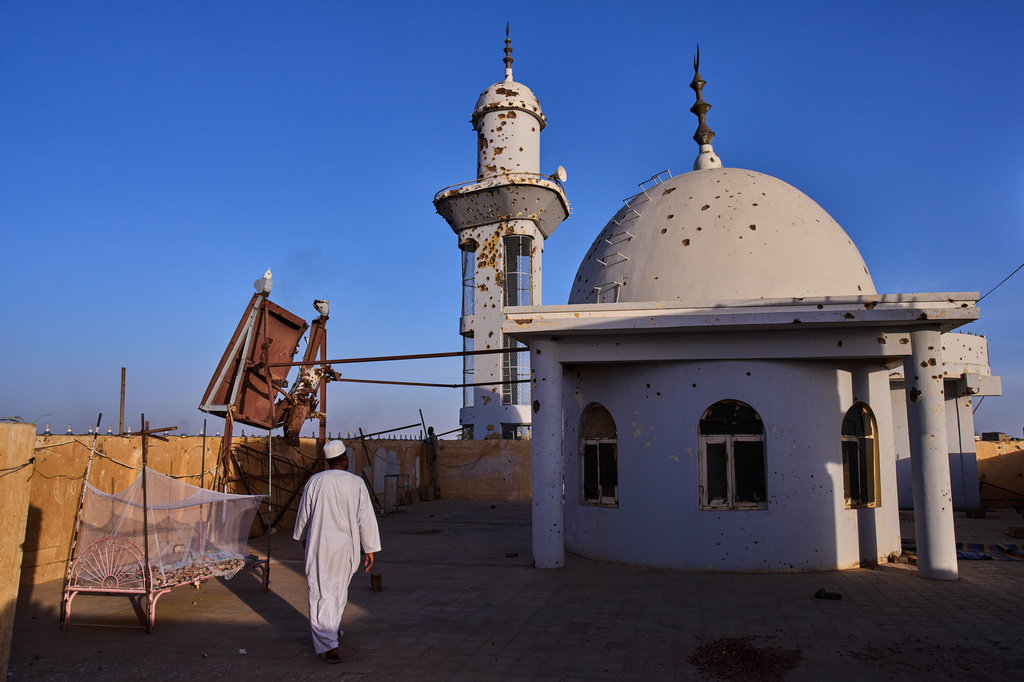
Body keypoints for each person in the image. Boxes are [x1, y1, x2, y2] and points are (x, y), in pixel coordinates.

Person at [293, 440, 381, 663]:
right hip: (346, 548)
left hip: (320, 545)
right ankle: (330, 640)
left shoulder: (316, 481)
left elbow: (304, 514)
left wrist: (303, 538)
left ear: (327, 461)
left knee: (322, 593)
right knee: (337, 592)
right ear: (345, 459)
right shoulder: (357, 483)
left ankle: (329, 641)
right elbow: (366, 518)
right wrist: (369, 548)